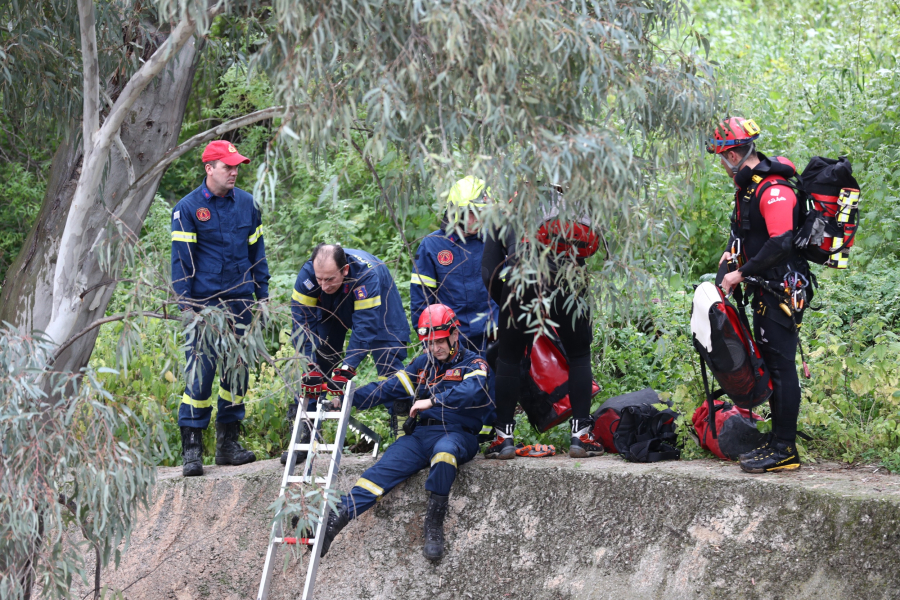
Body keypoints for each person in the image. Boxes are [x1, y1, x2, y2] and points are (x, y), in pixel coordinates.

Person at [319, 304, 493, 561]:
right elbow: (387, 389)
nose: (435, 348)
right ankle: (335, 521)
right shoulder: (423, 364)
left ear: (455, 335)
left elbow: (471, 391)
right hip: (421, 435)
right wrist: (346, 397)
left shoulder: (475, 363)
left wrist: (431, 401)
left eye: (440, 341)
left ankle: (434, 525)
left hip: (458, 434)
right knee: (383, 469)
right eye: (429, 343)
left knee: (445, 453)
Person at [709, 116, 811, 474]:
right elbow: (746, 231)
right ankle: (777, 441)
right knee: (770, 364)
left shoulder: (774, 189)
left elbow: (780, 242)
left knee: (782, 370)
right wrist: (730, 256)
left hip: (782, 290)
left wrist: (740, 273)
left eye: (722, 159)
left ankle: (785, 449)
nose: (723, 167)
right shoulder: (749, 188)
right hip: (765, 289)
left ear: (733, 155)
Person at [481, 185, 605, 459]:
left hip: (521, 281)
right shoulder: (572, 201)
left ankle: (503, 438)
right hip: (569, 281)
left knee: (508, 358)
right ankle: (581, 436)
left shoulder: (505, 208)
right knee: (579, 356)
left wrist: (509, 306)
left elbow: (488, 271)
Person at [171, 140, 269, 477]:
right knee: (200, 375)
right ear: (209, 168)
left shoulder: (248, 204)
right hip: (204, 306)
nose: (234, 171)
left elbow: (258, 254)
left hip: (241, 302)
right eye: (228, 166)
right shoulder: (188, 208)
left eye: (236, 166)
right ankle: (192, 448)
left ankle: (228, 444)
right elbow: (181, 264)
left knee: (237, 373)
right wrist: (187, 307)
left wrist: (263, 297)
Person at [285, 244, 409, 464]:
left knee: (387, 358)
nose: (323, 285)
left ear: (345, 270)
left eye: (329, 279)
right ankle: (306, 434)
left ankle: (404, 436)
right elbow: (301, 326)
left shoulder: (367, 275)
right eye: (319, 279)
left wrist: (346, 370)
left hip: (379, 305)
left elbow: (364, 328)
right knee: (320, 357)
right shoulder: (308, 277)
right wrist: (309, 366)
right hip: (330, 308)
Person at [410, 176, 498, 353]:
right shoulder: (432, 246)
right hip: (452, 340)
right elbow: (422, 299)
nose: (479, 219)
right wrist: (428, 341)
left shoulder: (495, 240)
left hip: (493, 338)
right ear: (456, 211)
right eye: (473, 212)